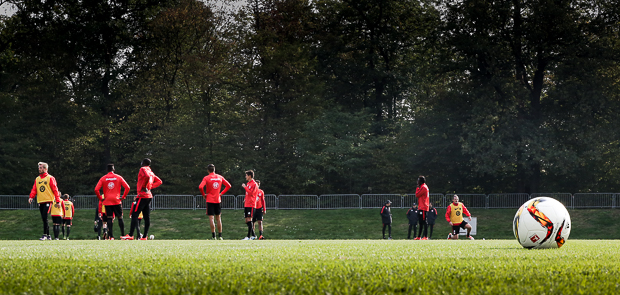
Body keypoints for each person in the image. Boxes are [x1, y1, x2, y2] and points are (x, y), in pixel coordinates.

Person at [127, 158, 162, 240]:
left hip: (142, 195)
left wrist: (145, 186)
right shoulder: (151, 171)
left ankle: (131, 235)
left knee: (134, 215)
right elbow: (159, 181)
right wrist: (150, 187)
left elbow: (146, 176)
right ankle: (145, 236)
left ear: (142, 163)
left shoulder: (143, 169)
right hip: (149, 195)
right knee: (147, 217)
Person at [94, 164, 131, 240]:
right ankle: (123, 235)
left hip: (107, 201)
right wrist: (123, 197)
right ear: (114, 170)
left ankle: (111, 236)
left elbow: (96, 189)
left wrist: (100, 198)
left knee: (109, 218)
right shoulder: (118, 177)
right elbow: (128, 187)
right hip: (117, 200)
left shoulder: (103, 178)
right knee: (120, 217)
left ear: (107, 170)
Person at [28, 162, 62, 240]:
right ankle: (48, 235)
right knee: (44, 218)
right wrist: (31, 197)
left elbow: (55, 190)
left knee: (45, 216)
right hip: (40, 201)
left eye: (40, 168)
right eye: (39, 168)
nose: (39, 169)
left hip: (48, 201)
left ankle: (44, 235)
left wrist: (58, 201)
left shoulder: (50, 178)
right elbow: (34, 189)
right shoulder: (37, 179)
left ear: (45, 169)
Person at [198, 164, 231, 240]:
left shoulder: (206, 178)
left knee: (211, 218)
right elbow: (228, 185)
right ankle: (220, 236)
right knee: (218, 218)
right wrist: (221, 193)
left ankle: (213, 236)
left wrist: (203, 194)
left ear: (208, 170)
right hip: (217, 199)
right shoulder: (220, 177)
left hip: (210, 199)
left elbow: (200, 187)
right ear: (214, 170)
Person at [241, 170, 258, 240]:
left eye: (246, 175)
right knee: (246, 220)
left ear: (249, 176)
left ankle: (248, 236)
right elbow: (247, 193)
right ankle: (254, 235)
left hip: (251, 204)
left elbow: (251, 193)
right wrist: (245, 198)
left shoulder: (254, 184)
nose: (245, 177)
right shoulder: (248, 183)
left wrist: (245, 187)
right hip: (246, 203)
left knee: (249, 219)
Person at [415, 175, 429, 240]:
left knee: (424, 222)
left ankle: (425, 236)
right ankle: (419, 236)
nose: (417, 182)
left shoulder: (423, 187)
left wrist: (417, 188)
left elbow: (417, 195)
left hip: (423, 207)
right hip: (421, 207)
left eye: (418, 180)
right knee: (421, 222)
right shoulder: (424, 187)